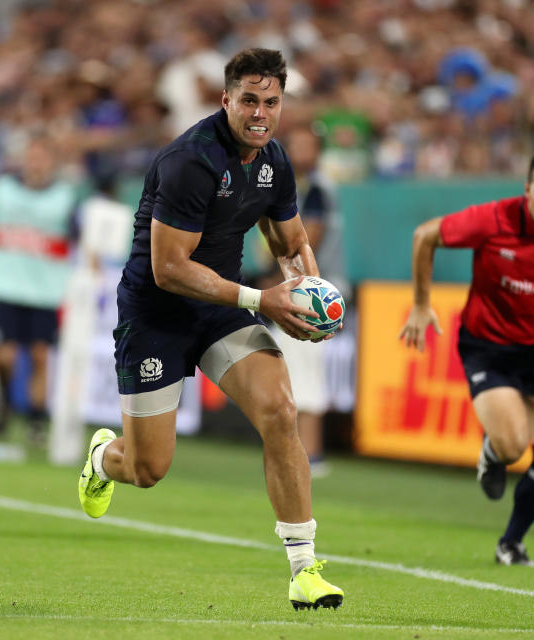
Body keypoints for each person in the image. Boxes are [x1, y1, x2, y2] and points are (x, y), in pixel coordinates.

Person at [77, 48, 344, 610]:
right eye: (249, 99)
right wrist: (265, 299)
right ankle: (103, 458)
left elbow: (290, 241)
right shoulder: (190, 161)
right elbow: (169, 268)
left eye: (271, 102)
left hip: (221, 307)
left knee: (281, 411)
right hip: (156, 313)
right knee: (149, 469)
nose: (260, 112)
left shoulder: (274, 160)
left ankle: (304, 569)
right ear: (226, 100)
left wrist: (308, 295)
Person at [399, 149, 534, 567]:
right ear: (527, 189)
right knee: (513, 445)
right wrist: (422, 305)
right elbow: (425, 235)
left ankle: (511, 542)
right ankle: (494, 452)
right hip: (489, 348)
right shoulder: (494, 218)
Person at [0, 135, 79, 453]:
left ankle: (37, 420)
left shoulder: (65, 198)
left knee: (41, 356)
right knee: (5, 357)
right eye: (32, 155)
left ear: (51, 161)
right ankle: (2, 405)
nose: (35, 162)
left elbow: (80, 240)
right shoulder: (1, 190)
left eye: (42, 156)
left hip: (45, 291)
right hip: (7, 286)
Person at [270, 124, 346, 478]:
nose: (300, 152)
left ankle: (311, 455)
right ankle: (299, 452)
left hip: (313, 293)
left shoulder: (316, 189)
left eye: (307, 145)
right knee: (288, 371)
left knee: (305, 372)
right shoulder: (293, 187)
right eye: (295, 144)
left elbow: (305, 243)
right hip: (294, 289)